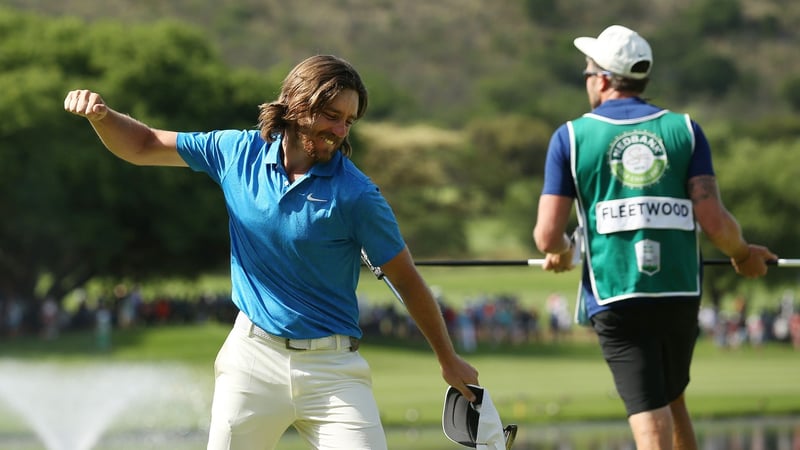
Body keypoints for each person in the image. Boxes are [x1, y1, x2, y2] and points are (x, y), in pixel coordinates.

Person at [64, 54, 479, 450]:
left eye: (348, 121)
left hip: (333, 372)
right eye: (331, 116)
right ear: (297, 106)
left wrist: (448, 358)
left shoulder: (358, 196)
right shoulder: (235, 153)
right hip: (251, 360)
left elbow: (406, 278)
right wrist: (103, 117)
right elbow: (143, 144)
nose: (340, 131)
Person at [532, 25, 777, 450]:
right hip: (679, 292)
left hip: (617, 293)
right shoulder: (685, 129)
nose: (587, 79)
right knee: (671, 398)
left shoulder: (570, 137)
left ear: (605, 79)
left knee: (648, 413)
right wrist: (742, 253)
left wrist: (563, 252)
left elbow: (547, 235)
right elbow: (714, 221)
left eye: (588, 72)